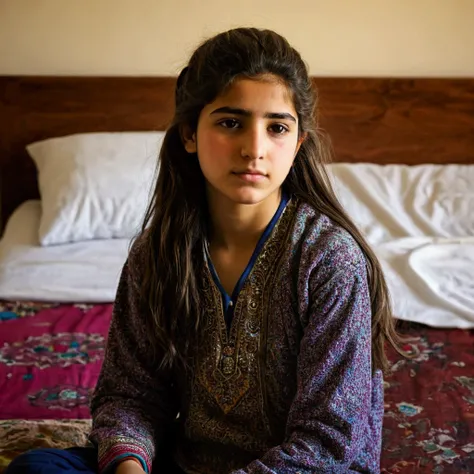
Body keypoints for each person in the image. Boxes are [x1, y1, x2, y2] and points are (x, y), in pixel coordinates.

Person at [6, 27, 404, 474]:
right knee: (37, 468)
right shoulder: (157, 254)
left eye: (277, 128)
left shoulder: (330, 260)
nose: (255, 149)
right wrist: (129, 468)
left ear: (298, 144)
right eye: (230, 122)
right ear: (189, 134)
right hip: (186, 463)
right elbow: (130, 394)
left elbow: (329, 442)